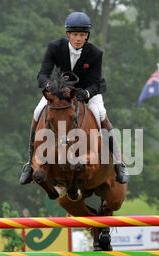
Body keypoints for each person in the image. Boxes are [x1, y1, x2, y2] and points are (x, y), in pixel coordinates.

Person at [19, 12, 129, 185]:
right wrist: (50, 87)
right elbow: (43, 74)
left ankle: (118, 163)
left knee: (101, 115)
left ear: (87, 36)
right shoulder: (55, 47)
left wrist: (86, 94)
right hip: (59, 93)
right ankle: (29, 164)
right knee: (37, 112)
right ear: (68, 34)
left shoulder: (95, 53)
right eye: (75, 34)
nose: (79, 38)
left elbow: (94, 82)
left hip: (86, 92)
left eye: (82, 35)